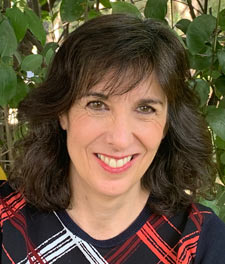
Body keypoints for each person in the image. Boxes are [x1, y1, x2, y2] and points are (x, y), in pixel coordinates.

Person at [1, 14, 225, 264]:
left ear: (166, 125)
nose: (119, 139)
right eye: (97, 104)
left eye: (145, 109)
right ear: (62, 113)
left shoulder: (199, 241)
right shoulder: (6, 221)